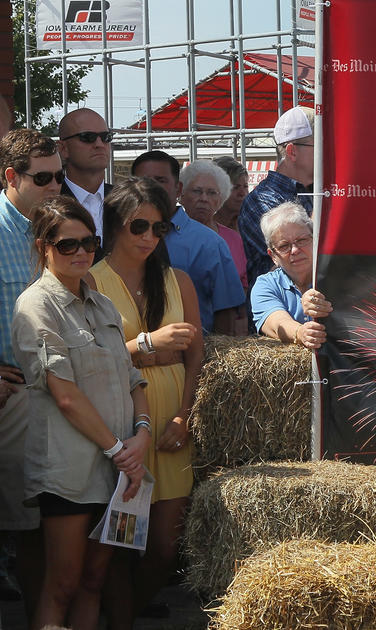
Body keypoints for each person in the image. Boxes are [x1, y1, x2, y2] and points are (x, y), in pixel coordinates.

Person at [11, 196, 150, 630]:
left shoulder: (104, 304)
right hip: (71, 473)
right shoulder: (35, 307)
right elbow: (65, 395)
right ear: (42, 247)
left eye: (88, 242)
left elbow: (132, 378)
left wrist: (141, 435)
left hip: (121, 471)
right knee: (64, 584)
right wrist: (120, 451)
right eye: (67, 245)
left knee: (95, 580)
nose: (81, 252)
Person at [87, 177, 203, 627]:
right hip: (117, 422)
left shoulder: (178, 281)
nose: (150, 238)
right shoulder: (89, 280)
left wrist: (184, 414)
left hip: (172, 419)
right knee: (116, 541)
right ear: (115, 225)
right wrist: (148, 344)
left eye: (160, 228)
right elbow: (89, 356)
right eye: (139, 227)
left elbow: (196, 354)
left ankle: (124, 615)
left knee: (164, 548)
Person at [0, 128, 63, 618]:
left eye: (59, 177)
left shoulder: (59, 230)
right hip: (13, 393)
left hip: (60, 394)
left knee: (46, 521)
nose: (55, 187)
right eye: (42, 178)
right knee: (24, 524)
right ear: (11, 177)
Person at [131, 151, 243, 335]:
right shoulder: (119, 236)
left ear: (178, 188)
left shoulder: (210, 243)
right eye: (143, 180)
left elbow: (226, 312)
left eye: (160, 180)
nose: (150, 188)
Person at [240, 106, 315, 290]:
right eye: (320, 145)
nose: (329, 152)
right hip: (281, 313)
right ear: (292, 152)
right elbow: (294, 264)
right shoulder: (261, 202)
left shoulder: (313, 191)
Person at [179, 159, 248, 335]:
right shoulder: (170, 235)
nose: (204, 198)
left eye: (211, 193)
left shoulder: (234, 238)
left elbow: (243, 285)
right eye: (197, 191)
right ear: (182, 194)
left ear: (220, 199)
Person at [249, 202, 331, 350]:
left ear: (315, 239)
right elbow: (275, 323)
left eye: (301, 240)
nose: (294, 250)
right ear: (273, 255)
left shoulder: (335, 276)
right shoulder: (265, 285)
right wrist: (300, 333)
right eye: (284, 246)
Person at [57, 108, 114, 240]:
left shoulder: (128, 202)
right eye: (88, 137)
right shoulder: (48, 203)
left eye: (106, 137)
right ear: (63, 148)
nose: (99, 144)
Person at [212, 156, 251, 297]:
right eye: (235, 187)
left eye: (245, 186)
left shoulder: (250, 226)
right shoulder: (208, 231)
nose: (242, 193)